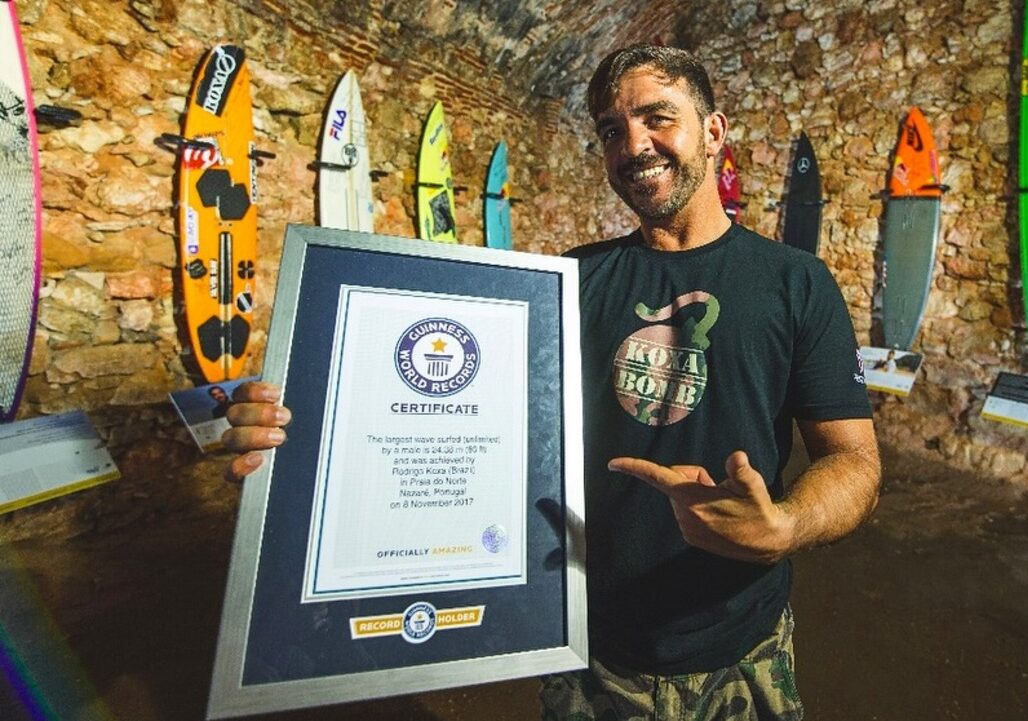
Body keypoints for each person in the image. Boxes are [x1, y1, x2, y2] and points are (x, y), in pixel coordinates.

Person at [224, 44, 880, 721]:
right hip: (592, 651)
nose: (634, 146)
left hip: (743, 649)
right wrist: (300, 432)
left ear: (713, 132)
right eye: (612, 130)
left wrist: (784, 527)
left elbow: (854, 459)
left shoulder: (797, 283)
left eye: (658, 118)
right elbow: (453, 418)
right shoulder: (566, 283)